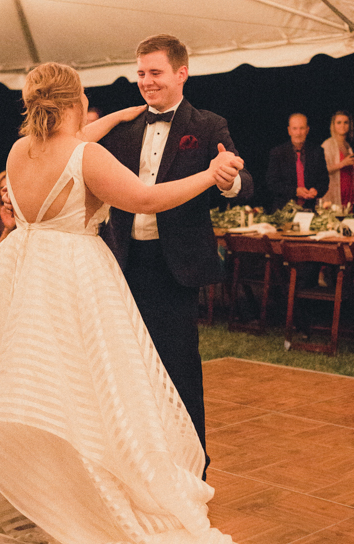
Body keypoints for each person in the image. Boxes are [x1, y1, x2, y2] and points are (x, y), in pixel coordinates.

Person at [0, 62, 249, 544]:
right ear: (75, 101)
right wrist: (209, 176)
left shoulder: (19, 151)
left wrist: (118, 116)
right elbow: (144, 199)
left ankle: (30, 491)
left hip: (20, 271)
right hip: (74, 275)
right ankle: (81, 495)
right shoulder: (86, 156)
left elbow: (71, 141)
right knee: (89, 390)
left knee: (31, 387)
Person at [99, 34, 253, 465]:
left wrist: (228, 179)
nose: (146, 82)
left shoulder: (207, 126)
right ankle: (139, 461)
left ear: (181, 73)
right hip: (122, 263)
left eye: (156, 73)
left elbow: (243, 182)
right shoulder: (124, 128)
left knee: (179, 367)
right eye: (141, 73)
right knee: (127, 368)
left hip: (175, 267)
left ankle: (191, 465)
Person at [266, 113, 330, 211]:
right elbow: (272, 183)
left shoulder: (317, 151)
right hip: (283, 211)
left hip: (310, 209)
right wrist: (295, 191)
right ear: (289, 130)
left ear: (307, 130)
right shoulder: (278, 153)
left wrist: (316, 191)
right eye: (295, 128)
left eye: (302, 128)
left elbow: (324, 181)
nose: (298, 133)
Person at [321, 111, 354, 209]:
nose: (342, 126)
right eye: (339, 123)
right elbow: (322, 169)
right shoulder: (328, 144)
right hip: (335, 191)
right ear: (333, 125)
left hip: (348, 190)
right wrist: (342, 164)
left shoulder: (347, 145)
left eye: (346, 122)